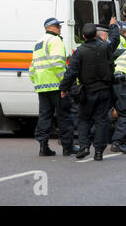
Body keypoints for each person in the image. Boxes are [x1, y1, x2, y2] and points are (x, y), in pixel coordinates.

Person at [59, 19, 120, 161]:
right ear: (96, 35)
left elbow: (71, 72)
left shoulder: (80, 52)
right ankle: (99, 152)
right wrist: (113, 25)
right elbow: (115, 39)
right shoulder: (106, 47)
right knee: (101, 120)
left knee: (83, 119)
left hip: (87, 91)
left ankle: (84, 146)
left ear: (83, 36)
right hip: (105, 90)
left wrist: (64, 88)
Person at [29, 18, 76, 157]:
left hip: (42, 86)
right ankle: (68, 147)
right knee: (64, 116)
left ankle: (43, 147)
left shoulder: (39, 42)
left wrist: (37, 82)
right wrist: (65, 84)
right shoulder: (55, 41)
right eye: (58, 26)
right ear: (53, 27)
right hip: (57, 86)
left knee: (44, 116)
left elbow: (32, 68)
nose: (60, 28)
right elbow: (57, 64)